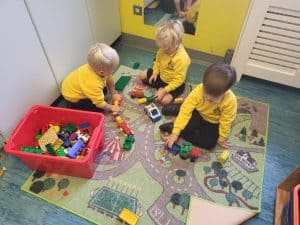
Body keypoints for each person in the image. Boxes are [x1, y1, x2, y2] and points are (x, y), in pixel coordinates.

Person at [161, 63, 237, 149]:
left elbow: (226, 121)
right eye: (206, 92)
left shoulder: (230, 101)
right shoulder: (199, 89)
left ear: (225, 91)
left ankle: (174, 126)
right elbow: (186, 111)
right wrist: (175, 133)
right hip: (198, 111)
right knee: (180, 110)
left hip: (212, 122)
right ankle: (180, 108)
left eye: (213, 97)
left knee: (209, 144)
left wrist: (222, 138)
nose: (207, 97)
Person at [139, 19, 191, 105]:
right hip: (161, 75)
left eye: (167, 48)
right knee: (142, 75)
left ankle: (161, 89)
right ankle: (159, 88)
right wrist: (155, 73)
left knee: (164, 101)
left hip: (174, 83)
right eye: (162, 47)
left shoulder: (182, 58)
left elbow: (178, 80)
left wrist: (165, 90)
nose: (164, 51)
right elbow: (157, 61)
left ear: (178, 42)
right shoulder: (163, 49)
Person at [61, 43, 122, 112]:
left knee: (104, 90)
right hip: (74, 97)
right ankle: (74, 107)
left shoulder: (98, 68)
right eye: (111, 70)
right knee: (98, 108)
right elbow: (99, 103)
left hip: (76, 85)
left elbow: (109, 80)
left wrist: (113, 94)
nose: (112, 71)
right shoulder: (93, 83)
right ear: (101, 72)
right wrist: (111, 107)